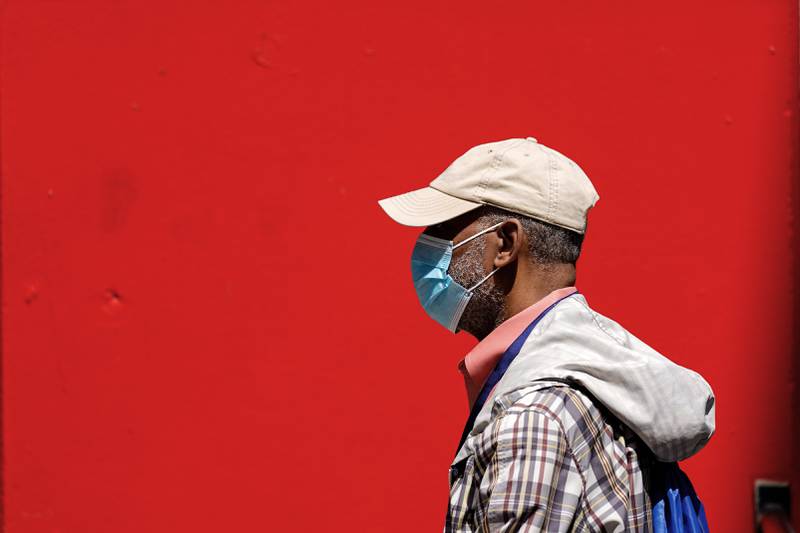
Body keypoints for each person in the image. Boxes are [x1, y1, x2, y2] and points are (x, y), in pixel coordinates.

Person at [377, 137, 715, 532]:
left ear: (504, 243)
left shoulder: (532, 419)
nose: (425, 247)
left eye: (442, 230)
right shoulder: (593, 373)